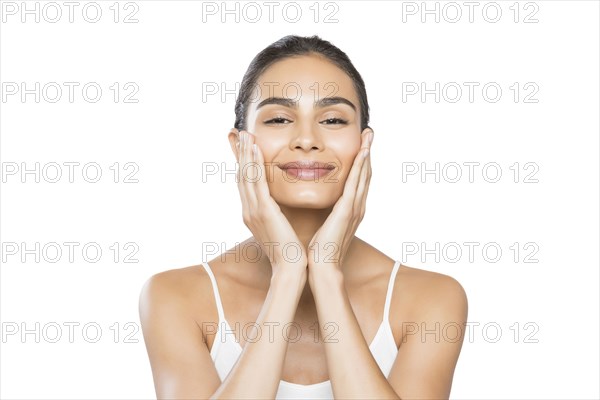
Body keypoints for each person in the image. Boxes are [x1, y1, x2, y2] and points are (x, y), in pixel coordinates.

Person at [139, 34, 468, 400]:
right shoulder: (174, 297)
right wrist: (288, 273)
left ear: (364, 143)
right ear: (239, 146)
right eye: (279, 118)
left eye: (332, 119)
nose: (307, 139)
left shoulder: (432, 299)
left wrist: (326, 273)